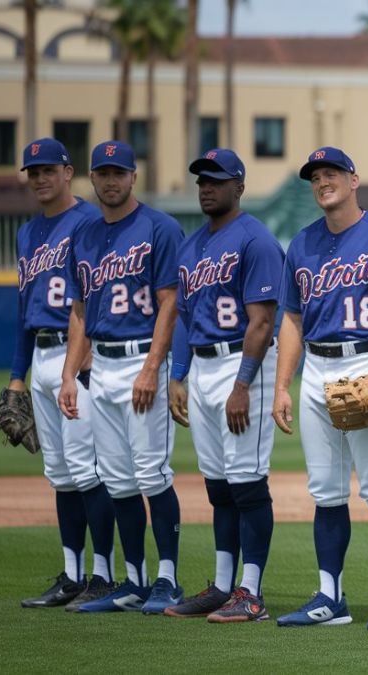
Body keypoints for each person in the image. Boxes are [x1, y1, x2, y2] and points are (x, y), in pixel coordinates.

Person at [272, 147, 368, 629]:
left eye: (331, 173)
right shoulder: (301, 244)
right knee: (326, 492)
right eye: (315, 176)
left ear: (354, 180)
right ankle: (330, 596)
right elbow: (290, 318)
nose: (322, 182)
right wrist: (282, 386)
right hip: (316, 366)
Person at [58, 140, 185, 614]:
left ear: (134, 176)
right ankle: (133, 581)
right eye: (102, 173)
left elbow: (170, 302)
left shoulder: (159, 227)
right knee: (117, 480)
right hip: (101, 366)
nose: (111, 181)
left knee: (151, 474)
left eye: (119, 172)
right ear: (91, 178)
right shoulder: (85, 236)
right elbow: (79, 311)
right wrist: (70, 375)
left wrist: (153, 367)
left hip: (139, 359)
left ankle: (167, 579)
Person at [163, 149, 284, 622]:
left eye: (216, 179)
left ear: (239, 186)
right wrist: (177, 374)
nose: (206, 186)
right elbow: (184, 319)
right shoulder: (191, 246)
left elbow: (262, 322)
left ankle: (250, 593)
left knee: (248, 483)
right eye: (201, 180)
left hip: (242, 363)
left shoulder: (255, 240)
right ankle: (220, 585)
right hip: (203, 368)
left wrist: (243, 385)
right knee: (218, 486)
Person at [10, 138, 117, 610]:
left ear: (68, 172)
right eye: (33, 172)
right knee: (60, 474)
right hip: (43, 358)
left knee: (87, 469)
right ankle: (73, 574)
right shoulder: (27, 234)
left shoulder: (91, 221)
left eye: (48, 169)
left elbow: (98, 293)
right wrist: (17, 376)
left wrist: (86, 354)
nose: (40, 178)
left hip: (81, 356)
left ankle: (104, 575)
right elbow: (24, 310)